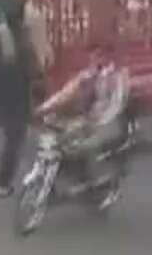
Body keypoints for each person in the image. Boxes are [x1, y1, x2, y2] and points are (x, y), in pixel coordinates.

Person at [34, 40, 131, 187]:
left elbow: (116, 105)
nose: (94, 59)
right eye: (92, 56)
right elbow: (65, 94)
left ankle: (94, 180)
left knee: (84, 145)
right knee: (61, 138)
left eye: (98, 55)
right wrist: (43, 109)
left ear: (107, 56)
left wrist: (96, 123)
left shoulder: (118, 76)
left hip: (110, 123)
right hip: (89, 120)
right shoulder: (88, 75)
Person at [0, 0, 39, 197]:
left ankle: (5, 181)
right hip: (17, 98)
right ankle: (3, 182)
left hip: (0, 95)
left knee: (13, 139)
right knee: (14, 141)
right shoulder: (22, 42)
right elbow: (31, 71)